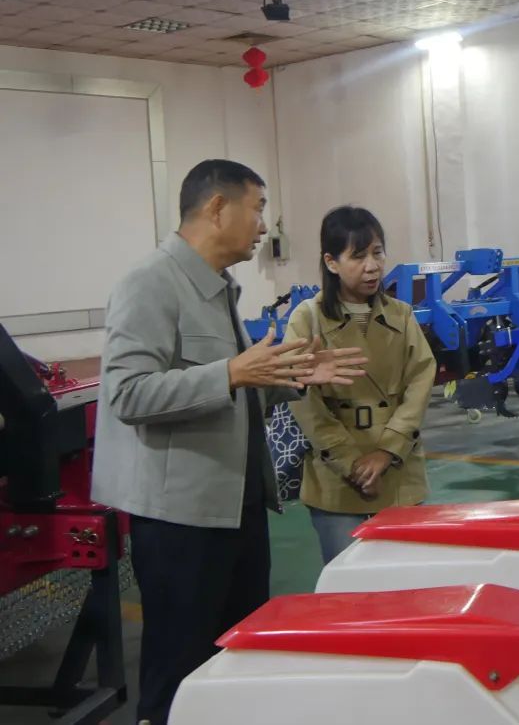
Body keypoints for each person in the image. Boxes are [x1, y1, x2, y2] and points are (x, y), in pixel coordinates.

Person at [91, 159, 366, 725]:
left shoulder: (217, 290)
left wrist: (289, 377)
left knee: (234, 661)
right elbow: (127, 395)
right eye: (258, 208)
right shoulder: (150, 284)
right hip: (180, 522)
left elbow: (231, 394)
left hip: (235, 510)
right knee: (179, 670)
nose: (264, 226)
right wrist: (232, 373)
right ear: (217, 207)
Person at [285, 206, 436, 564]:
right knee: (348, 584)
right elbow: (303, 401)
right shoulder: (308, 319)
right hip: (337, 480)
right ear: (331, 262)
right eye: (358, 256)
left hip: (398, 470)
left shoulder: (401, 315)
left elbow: (420, 380)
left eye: (377, 253)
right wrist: (352, 464)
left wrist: (386, 452)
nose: (372, 266)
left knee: (407, 580)